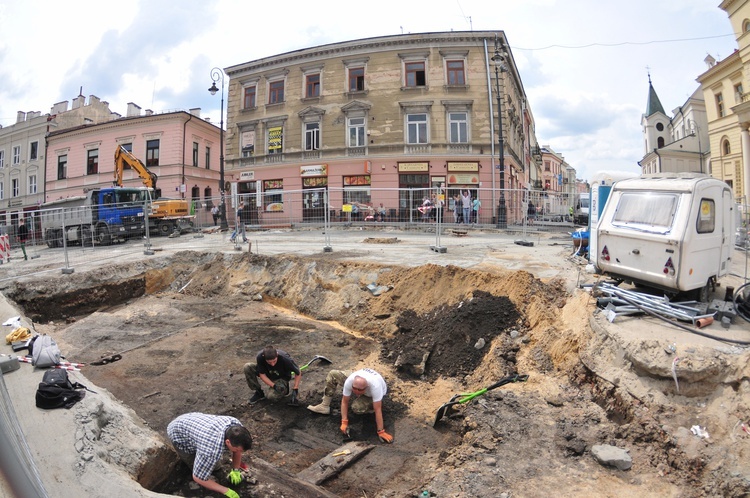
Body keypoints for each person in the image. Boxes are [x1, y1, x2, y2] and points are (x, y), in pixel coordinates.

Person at [166, 412, 252, 498]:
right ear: (228, 442)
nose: (239, 452)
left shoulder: (236, 425)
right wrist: (226, 490)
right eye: (237, 449)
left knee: (214, 465)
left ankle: (207, 464)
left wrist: (236, 469)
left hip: (195, 423)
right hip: (179, 433)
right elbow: (198, 477)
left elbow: (237, 451)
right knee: (196, 464)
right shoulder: (210, 450)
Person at [307, 368, 394, 444]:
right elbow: (344, 401)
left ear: (366, 387)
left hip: (371, 394)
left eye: (360, 390)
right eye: (354, 388)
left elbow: (378, 409)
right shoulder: (350, 381)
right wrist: (344, 422)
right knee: (333, 374)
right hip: (360, 377)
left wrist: (381, 431)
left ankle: (369, 409)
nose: (356, 391)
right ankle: (324, 406)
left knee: (357, 407)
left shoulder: (375, 388)